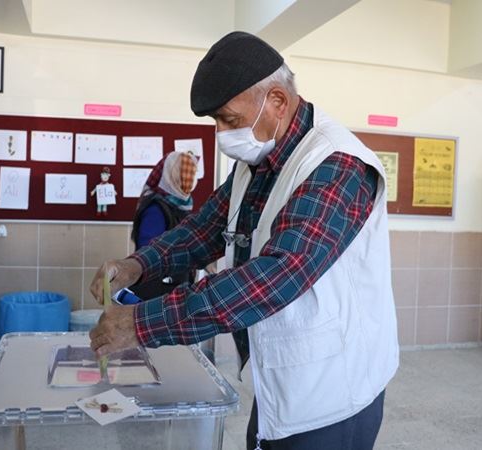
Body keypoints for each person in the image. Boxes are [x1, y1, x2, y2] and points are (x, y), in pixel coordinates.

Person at [89, 31, 398, 449]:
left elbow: (273, 278)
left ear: (277, 101)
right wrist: (139, 264)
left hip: (334, 393)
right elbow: (207, 228)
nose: (221, 133)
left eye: (229, 120)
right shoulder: (259, 158)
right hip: (280, 382)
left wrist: (141, 323)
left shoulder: (337, 166)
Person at [129, 151, 198, 300]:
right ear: (171, 176)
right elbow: (147, 252)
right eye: (184, 174)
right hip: (156, 293)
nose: (189, 180)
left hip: (175, 288)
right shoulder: (156, 209)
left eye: (191, 174)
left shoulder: (182, 206)